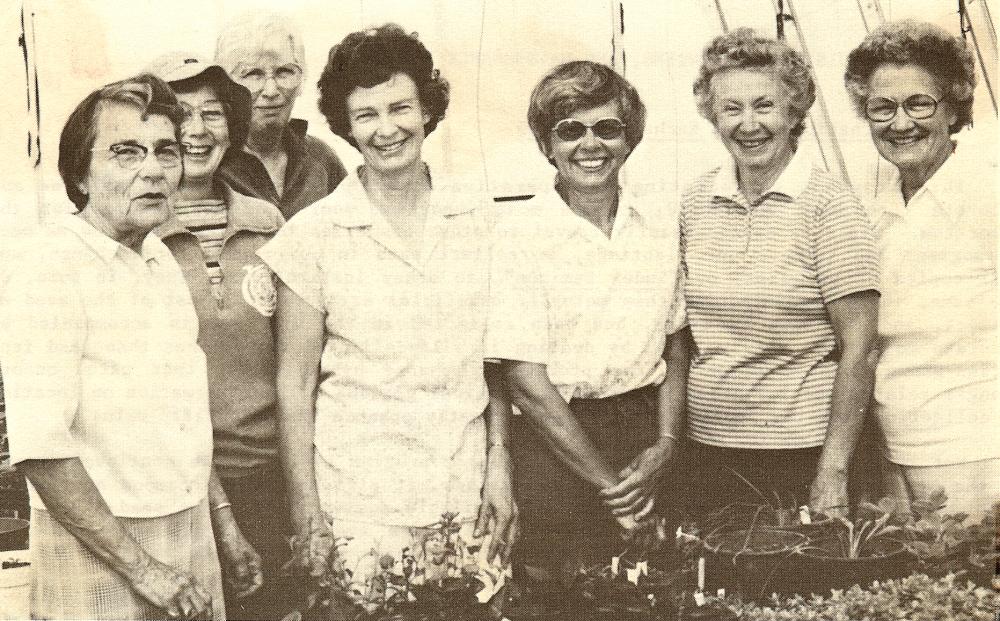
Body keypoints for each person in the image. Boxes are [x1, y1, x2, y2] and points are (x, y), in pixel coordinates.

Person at [257, 23, 516, 607]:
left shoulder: (481, 218)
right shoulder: (311, 237)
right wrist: (308, 513)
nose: (386, 128)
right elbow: (293, 386)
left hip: (464, 486)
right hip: (359, 500)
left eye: (401, 107)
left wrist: (500, 467)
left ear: (427, 109)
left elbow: (496, 361)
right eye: (366, 114)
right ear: (346, 127)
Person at [0, 74, 225, 620]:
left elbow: (183, 420)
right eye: (125, 153)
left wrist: (225, 528)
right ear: (80, 173)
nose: (152, 170)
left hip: (187, 533)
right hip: (102, 551)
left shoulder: (160, 260)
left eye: (165, 152)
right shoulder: (47, 267)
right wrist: (144, 570)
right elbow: (42, 449)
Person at [487, 61, 689, 590]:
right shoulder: (518, 236)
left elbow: (676, 340)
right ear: (546, 145)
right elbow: (525, 383)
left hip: (648, 438)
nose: (589, 144)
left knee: (659, 592)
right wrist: (613, 493)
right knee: (568, 594)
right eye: (570, 130)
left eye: (607, 128)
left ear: (630, 138)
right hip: (558, 447)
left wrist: (666, 442)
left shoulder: (660, 227)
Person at [681, 29, 880, 520]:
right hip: (706, 452)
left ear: (794, 112)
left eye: (764, 105)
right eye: (731, 109)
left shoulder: (830, 206)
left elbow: (861, 347)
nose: (748, 124)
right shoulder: (694, 202)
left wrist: (832, 471)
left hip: (802, 455)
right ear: (712, 116)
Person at [148, 52, 294, 619]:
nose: (196, 131)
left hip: (276, 474)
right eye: (180, 116)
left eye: (212, 114)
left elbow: (297, 355)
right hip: (184, 485)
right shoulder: (141, 237)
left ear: (232, 127)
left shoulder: (268, 223)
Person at [845, 20, 999, 520]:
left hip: (981, 449)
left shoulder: (988, 195)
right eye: (882, 108)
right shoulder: (873, 203)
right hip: (897, 447)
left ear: (954, 107)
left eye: (919, 103)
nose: (900, 123)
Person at [215, 11, 347, 219]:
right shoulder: (212, 164)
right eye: (253, 74)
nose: (271, 91)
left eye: (284, 72)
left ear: (301, 79)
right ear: (227, 86)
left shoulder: (322, 160)